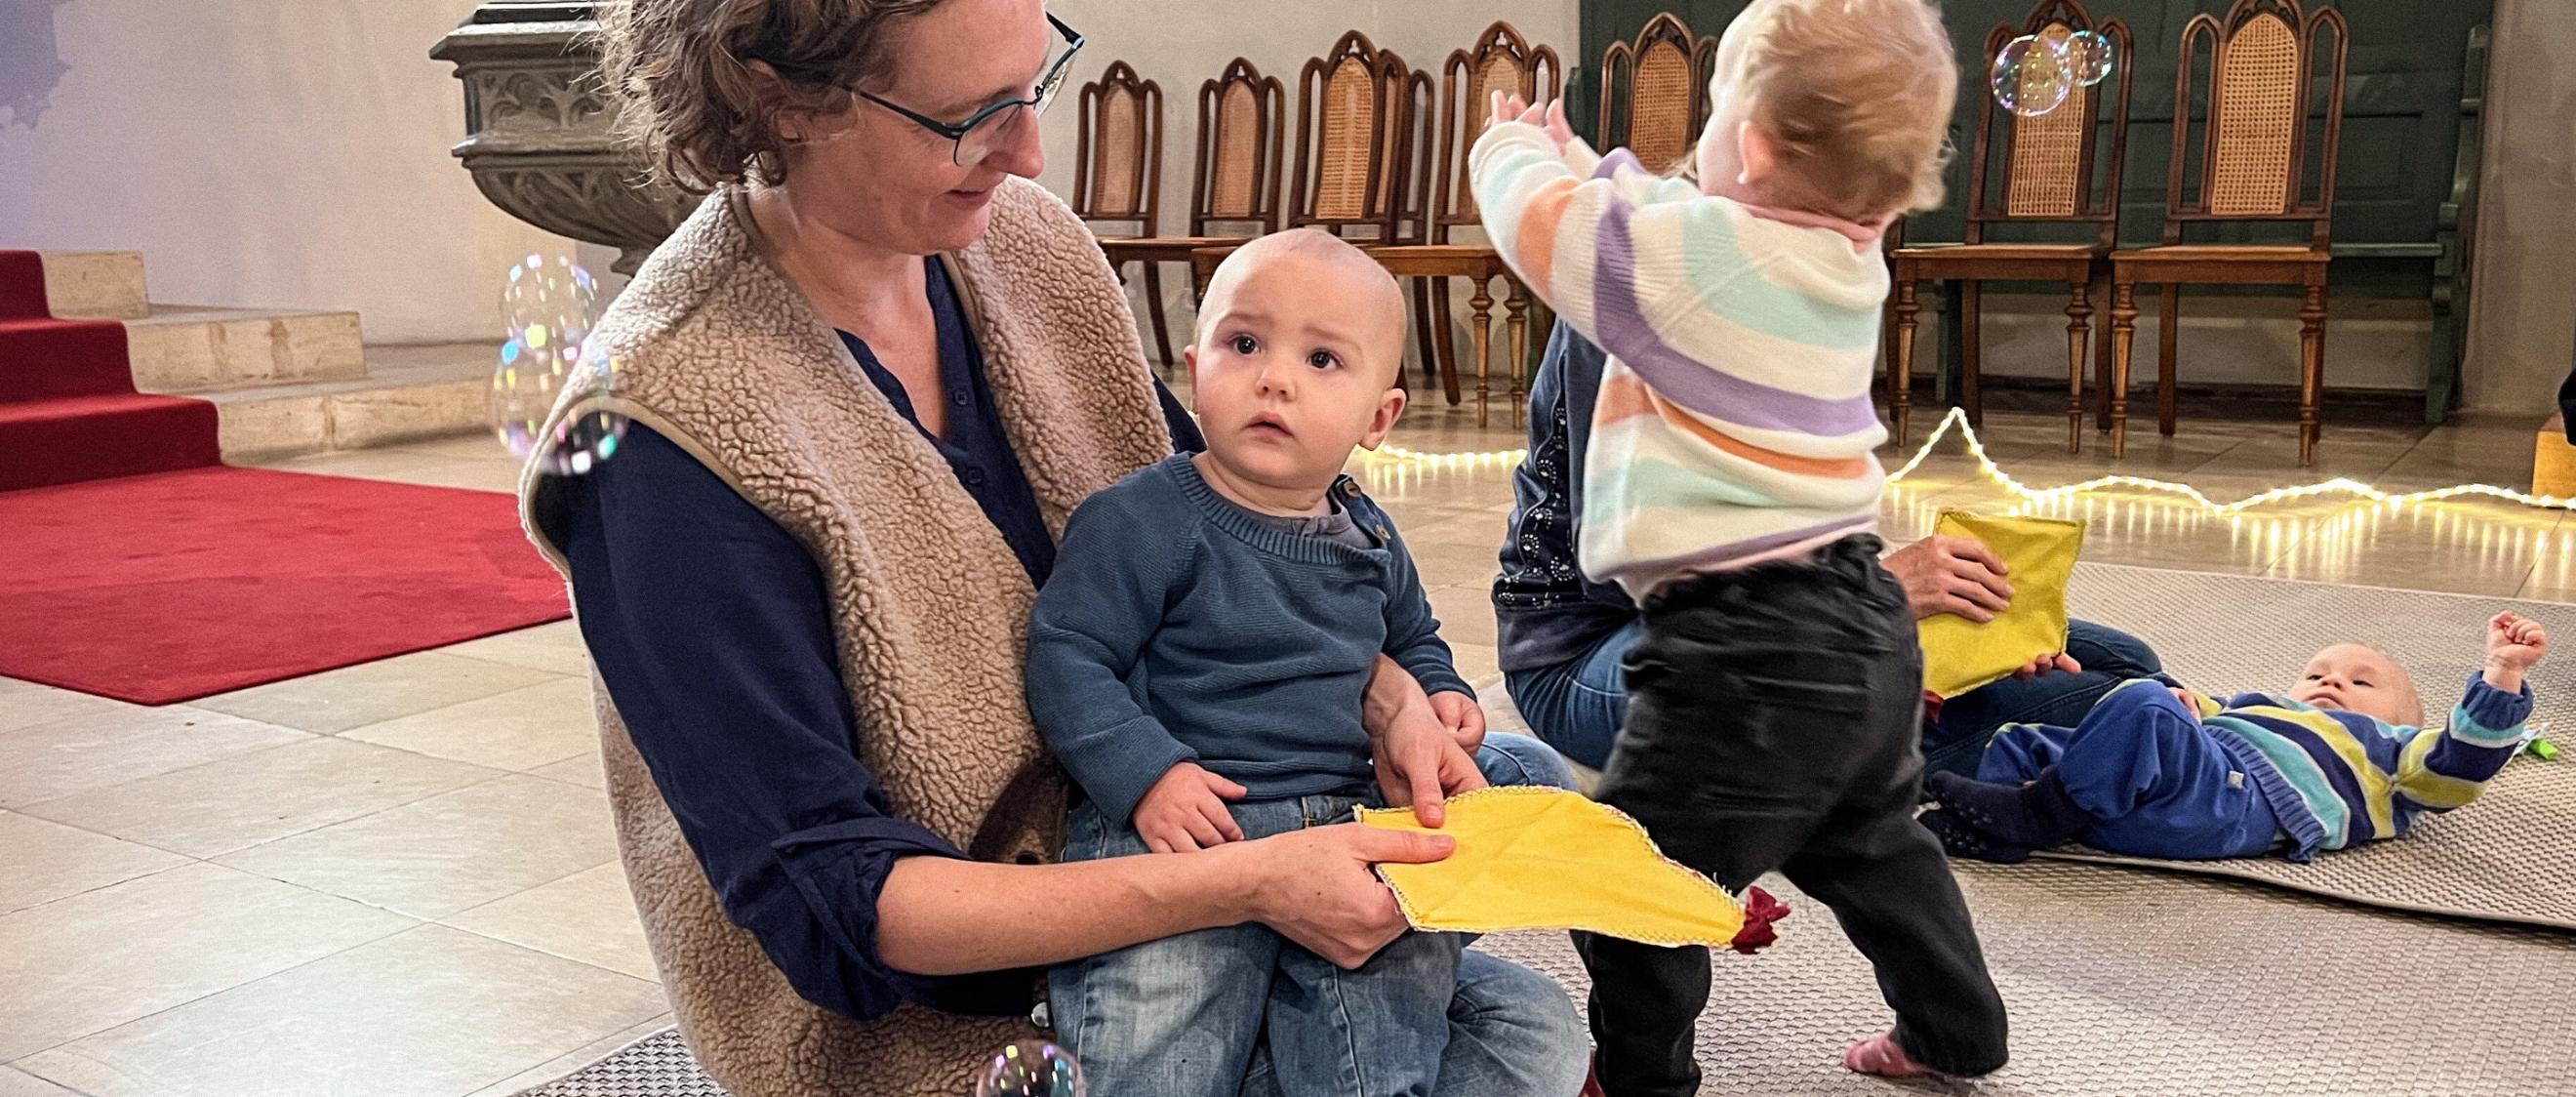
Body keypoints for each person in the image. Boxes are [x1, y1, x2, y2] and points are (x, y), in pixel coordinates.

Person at [520, 4, 1590, 1096]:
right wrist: (1253, 879)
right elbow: (836, 906)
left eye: (1038, 82)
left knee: (1534, 1028)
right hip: (948, 1007)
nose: (1029, 152)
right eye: (967, 115)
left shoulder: (1024, 243)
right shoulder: (666, 433)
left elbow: (1245, 533)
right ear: (778, 95)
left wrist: (1395, 697)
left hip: (1184, 844)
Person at [1469, 0, 2005, 1088]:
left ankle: (1640, 1075)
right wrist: (1595, 162)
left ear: (1751, 145)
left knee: (1634, 881)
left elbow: (1547, 226)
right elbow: (1678, 217)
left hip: (1739, 655)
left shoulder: (1695, 265)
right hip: (1864, 623)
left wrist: (1515, 149)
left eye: (1716, 110)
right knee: (1874, 844)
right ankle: (1959, 1027)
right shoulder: (1846, 257)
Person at [1030, 230, 1518, 1097]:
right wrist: (1147, 776)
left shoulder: (1368, 531)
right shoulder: (1145, 518)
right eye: (1243, 343)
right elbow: (1069, 654)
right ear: (1193, 367)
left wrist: (1440, 696)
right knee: (1154, 1045)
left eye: (1323, 358)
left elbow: (1409, 639)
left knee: (1385, 1037)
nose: (1275, 377)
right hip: (1187, 824)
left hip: (1346, 817)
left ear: (1380, 418)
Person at [1923, 615, 2548, 864]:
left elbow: (2460, 767)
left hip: (2233, 808)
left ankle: (2033, 812)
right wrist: (2186, 705)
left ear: (2406, 719)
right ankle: (1999, 823)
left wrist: (2503, 675)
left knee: (2140, 701)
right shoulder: (2258, 708)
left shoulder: (2392, 753)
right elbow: (2194, 715)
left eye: (2362, 681)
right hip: (2131, 802)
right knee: (2033, 736)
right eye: (2317, 673)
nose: (2332, 680)